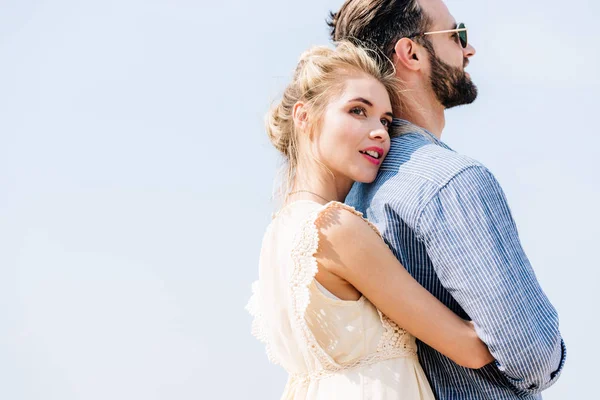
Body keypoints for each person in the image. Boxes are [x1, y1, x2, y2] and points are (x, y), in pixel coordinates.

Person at [329, 0, 566, 398]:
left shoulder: (347, 195)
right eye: (458, 35)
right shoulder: (450, 182)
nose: (468, 50)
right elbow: (533, 354)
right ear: (413, 53)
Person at [247, 41, 495, 400]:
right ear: (304, 117)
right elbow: (470, 348)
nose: (380, 131)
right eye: (357, 111)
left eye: (386, 120)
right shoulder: (336, 228)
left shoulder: (278, 233)